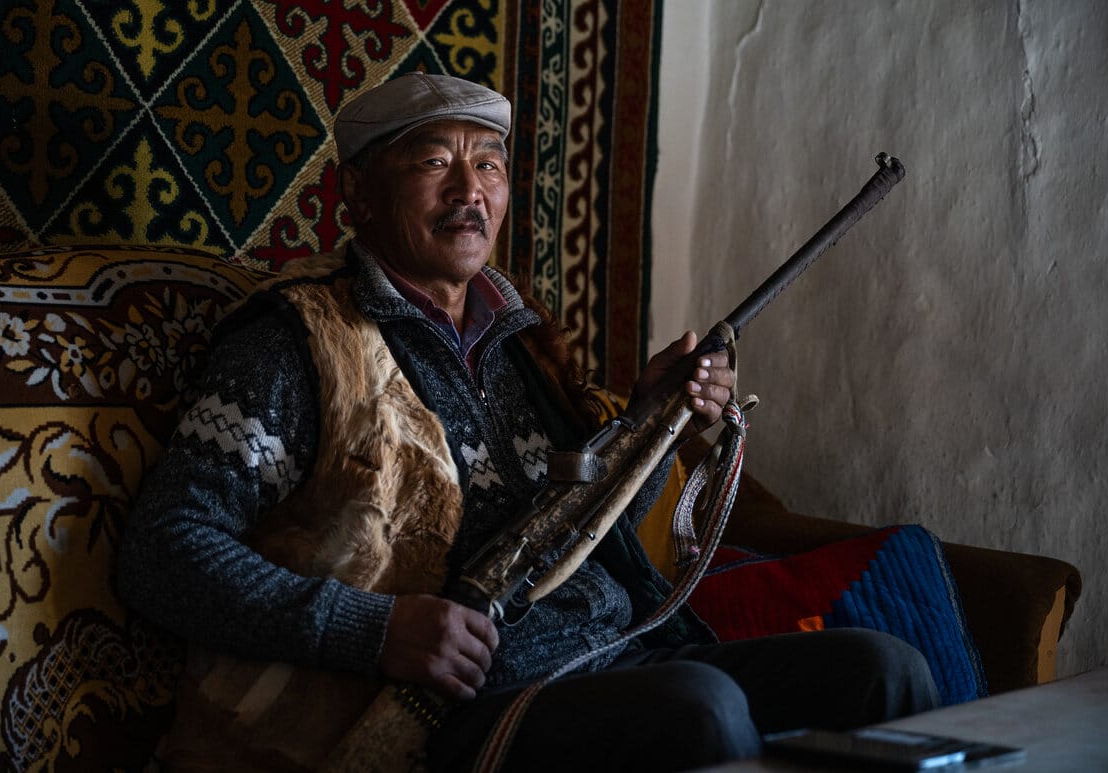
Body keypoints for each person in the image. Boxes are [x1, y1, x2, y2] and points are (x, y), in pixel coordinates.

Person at [118, 72, 939, 772]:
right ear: (359, 194)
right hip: (445, 709)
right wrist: (374, 630)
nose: (470, 190)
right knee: (699, 708)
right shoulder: (294, 342)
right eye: (434, 162)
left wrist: (659, 420)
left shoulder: (520, 336)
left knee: (884, 669)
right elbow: (165, 549)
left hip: (627, 649)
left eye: (488, 164)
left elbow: (574, 526)